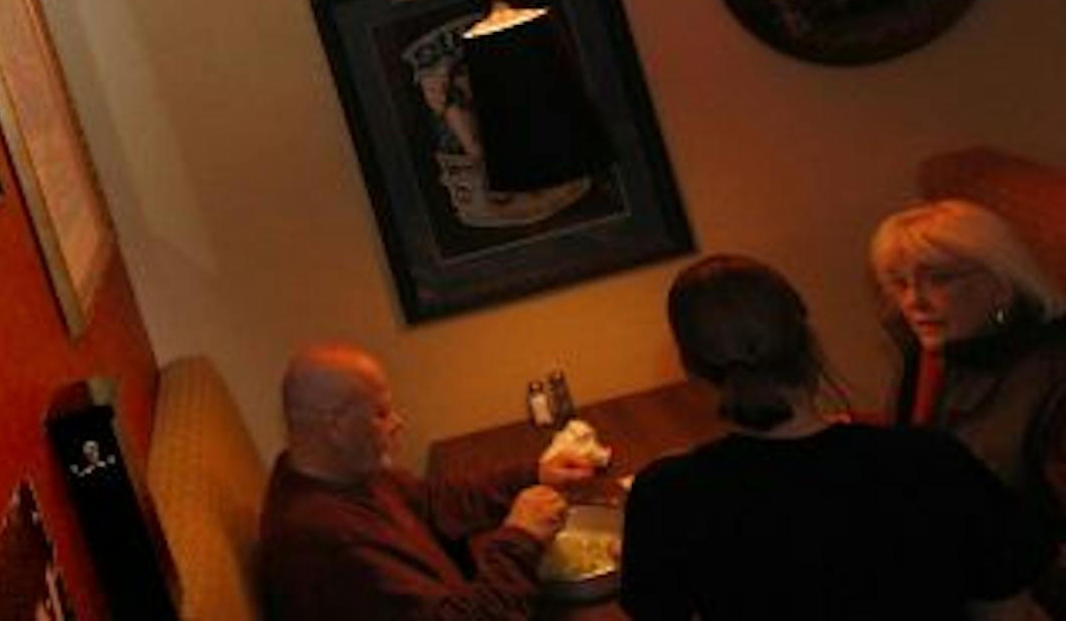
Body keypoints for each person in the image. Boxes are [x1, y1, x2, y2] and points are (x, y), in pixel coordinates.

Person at [622, 254, 1047, 620]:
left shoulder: (669, 495)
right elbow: (1006, 604)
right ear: (809, 343)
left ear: (690, 367)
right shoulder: (930, 461)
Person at [257, 342, 600, 619]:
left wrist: (534, 475)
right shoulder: (328, 545)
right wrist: (520, 538)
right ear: (336, 426)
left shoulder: (343, 473)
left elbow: (436, 501)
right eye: (380, 414)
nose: (397, 422)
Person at [872, 199, 1066, 611]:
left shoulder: (1052, 377)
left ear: (1002, 282)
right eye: (899, 283)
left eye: (938, 279)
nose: (913, 301)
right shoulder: (932, 354)